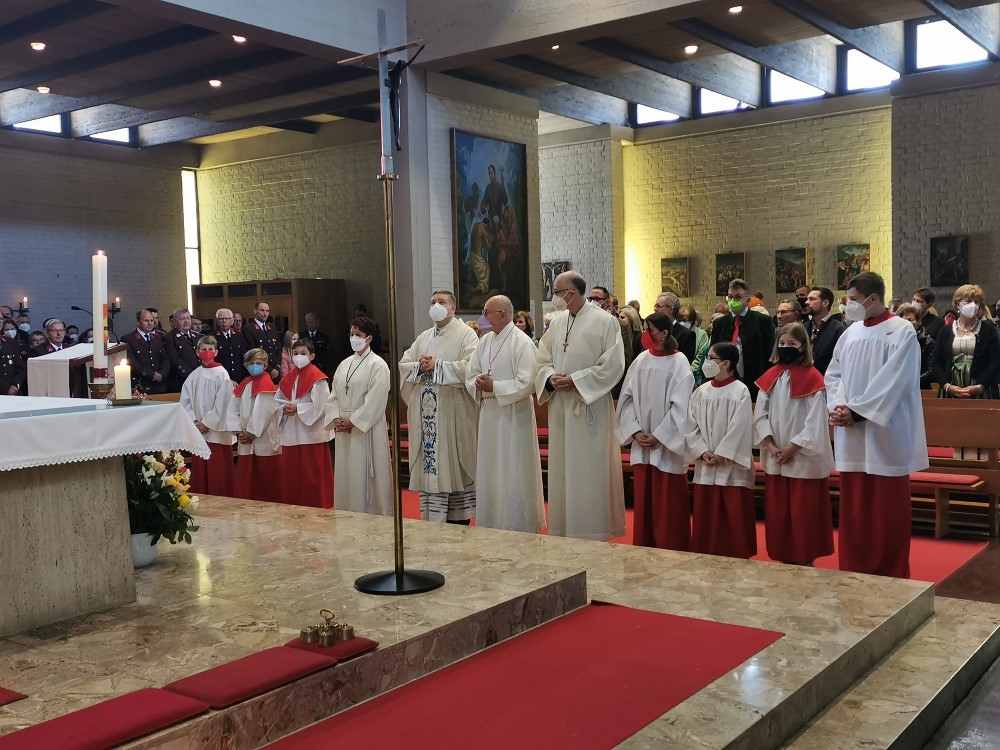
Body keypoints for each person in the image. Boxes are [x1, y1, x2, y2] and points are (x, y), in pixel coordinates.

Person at [826, 271, 927, 578]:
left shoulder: (901, 331)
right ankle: (853, 569)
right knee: (855, 508)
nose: (848, 305)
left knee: (887, 510)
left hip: (886, 431)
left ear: (872, 298)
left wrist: (857, 412)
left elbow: (897, 381)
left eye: (853, 299)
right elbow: (834, 374)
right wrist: (839, 407)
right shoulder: (850, 333)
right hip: (852, 433)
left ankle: (890, 573)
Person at [535, 271, 626, 541]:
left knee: (588, 470)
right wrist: (550, 377)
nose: (554, 297)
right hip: (561, 408)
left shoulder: (605, 321)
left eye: (557, 292)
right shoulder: (557, 323)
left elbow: (614, 364)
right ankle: (564, 528)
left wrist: (576, 380)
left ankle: (591, 529)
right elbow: (542, 358)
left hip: (588, 407)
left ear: (571, 293)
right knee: (563, 469)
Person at [754, 323, 834, 566]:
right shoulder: (771, 377)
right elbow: (760, 415)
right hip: (776, 454)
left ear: (802, 346)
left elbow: (815, 421)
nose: (786, 347)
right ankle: (784, 555)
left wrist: (792, 448)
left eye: (791, 344)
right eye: (782, 343)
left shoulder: (813, 378)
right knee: (779, 511)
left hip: (802, 457)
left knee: (803, 511)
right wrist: (770, 445)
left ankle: (805, 557)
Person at [399, 290, 480, 524]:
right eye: (433, 301)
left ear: (453, 308)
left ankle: (458, 519)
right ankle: (432, 517)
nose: (436, 305)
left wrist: (438, 365)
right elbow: (404, 364)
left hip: (452, 412)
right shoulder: (423, 337)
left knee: (453, 461)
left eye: (442, 302)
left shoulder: (467, 335)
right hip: (427, 413)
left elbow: (471, 368)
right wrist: (419, 366)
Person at [616, 312, 694, 550]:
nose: (645, 334)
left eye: (649, 330)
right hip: (642, 443)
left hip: (666, 447)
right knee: (645, 501)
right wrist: (634, 431)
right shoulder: (641, 360)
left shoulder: (679, 363)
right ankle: (645, 547)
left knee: (668, 503)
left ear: (664, 333)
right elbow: (626, 399)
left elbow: (682, 407)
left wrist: (659, 436)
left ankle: (672, 549)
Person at [467, 295, 545, 533]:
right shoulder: (485, 341)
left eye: (486, 311)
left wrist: (495, 386)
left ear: (502, 314)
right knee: (491, 468)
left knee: (513, 467)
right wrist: (477, 382)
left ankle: (517, 523)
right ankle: (491, 521)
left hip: (514, 415)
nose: (483, 316)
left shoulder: (521, 342)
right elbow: (471, 371)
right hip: (489, 414)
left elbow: (528, 381)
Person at [686, 342, 755, 558]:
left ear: (726, 363)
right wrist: (702, 451)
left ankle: (735, 555)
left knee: (732, 515)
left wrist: (722, 454)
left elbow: (741, 426)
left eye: (711, 358)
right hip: (706, 463)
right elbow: (690, 425)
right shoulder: (701, 392)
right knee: (706, 514)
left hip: (729, 466)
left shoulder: (740, 391)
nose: (706, 362)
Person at [325, 317, 392, 516]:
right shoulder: (344, 364)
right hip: (344, 428)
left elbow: (376, 400)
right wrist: (336, 418)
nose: (353, 338)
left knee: (364, 474)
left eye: (358, 335)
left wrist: (353, 422)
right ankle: (346, 513)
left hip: (365, 427)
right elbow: (334, 394)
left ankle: (370, 514)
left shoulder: (378, 365)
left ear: (369, 338)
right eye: (351, 334)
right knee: (346, 473)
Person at [275, 337, 334, 508]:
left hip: (311, 432)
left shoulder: (318, 378)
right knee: (292, 473)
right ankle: (293, 504)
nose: (298, 356)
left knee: (312, 474)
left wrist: (298, 408)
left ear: (311, 356)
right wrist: (284, 408)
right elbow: (277, 401)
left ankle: (317, 505)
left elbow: (322, 405)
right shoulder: (288, 378)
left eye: (303, 353)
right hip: (291, 431)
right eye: (295, 353)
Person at [180, 335, 236, 496]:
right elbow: (185, 401)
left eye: (210, 349)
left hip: (216, 431)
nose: (207, 352)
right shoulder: (194, 375)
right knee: (200, 469)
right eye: (203, 349)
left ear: (216, 352)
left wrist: (207, 423)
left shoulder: (222, 374)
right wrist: (194, 422)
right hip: (198, 430)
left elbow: (224, 402)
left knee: (217, 469)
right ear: (197, 352)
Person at [709, 278, 775, 401]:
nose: (733, 301)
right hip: (725, 379)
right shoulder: (720, 323)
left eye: (738, 297)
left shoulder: (762, 321)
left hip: (754, 380)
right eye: (730, 297)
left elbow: (769, 354)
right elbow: (713, 353)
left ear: (747, 300)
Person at [231, 348, 283, 503]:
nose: (255, 366)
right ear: (246, 365)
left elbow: (265, 411)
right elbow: (232, 409)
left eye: (259, 363)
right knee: (248, 475)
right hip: (245, 436)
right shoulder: (245, 384)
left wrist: (251, 433)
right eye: (252, 363)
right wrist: (238, 431)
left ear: (265, 365)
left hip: (263, 435)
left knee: (267, 474)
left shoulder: (266, 383)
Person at [932, 284, 999, 400]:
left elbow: (995, 361)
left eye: (976, 302)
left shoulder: (988, 330)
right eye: (968, 301)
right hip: (952, 386)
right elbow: (936, 362)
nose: (972, 305)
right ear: (958, 304)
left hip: (981, 387)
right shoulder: (945, 331)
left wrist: (980, 386)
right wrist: (947, 385)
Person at [125, 310, 170, 394]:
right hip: (142, 384)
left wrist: (162, 374)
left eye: (152, 320)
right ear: (138, 323)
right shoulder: (129, 339)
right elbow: (132, 362)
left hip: (159, 385)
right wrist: (152, 375)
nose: (150, 323)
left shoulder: (157, 338)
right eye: (146, 321)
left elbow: (165, 359)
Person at [804, 286, 846, 375]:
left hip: (827, 378)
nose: (806, 302)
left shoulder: (839, 330)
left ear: (825, 303)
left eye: (812, 299)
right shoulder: (804, 328)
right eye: (807, 299)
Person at [896, 303, 935, 389]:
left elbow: (931, 371)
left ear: (919, 322)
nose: (907, 323)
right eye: (904, 320)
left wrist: (910, 382)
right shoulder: (895, 340)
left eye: (910, 320)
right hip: (899, 386)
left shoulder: (928, 342)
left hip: (920, 386)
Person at [243, 301, 283, 382]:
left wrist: (277, 367)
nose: (265, 314)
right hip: (260, 371)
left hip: (276, 372)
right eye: (262, 310)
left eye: (267, 311)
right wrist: (269, 369)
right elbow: (253, 352)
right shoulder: (248, 328)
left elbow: (278, 349)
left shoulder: (272, 327)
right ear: (255, 311)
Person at [652, 292, 696, 362]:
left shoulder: (686, 335)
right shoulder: (653, 331)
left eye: (659, 306)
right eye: (655, 306)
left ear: (670, 309)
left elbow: (684, 362)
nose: (655, 309)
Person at [164, 307, 200, 392]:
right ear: (175, 321)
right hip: (181, 382)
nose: (186, 321)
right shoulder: (168, 338)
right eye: (182, 319)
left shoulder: (197, 336)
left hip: (199, 380)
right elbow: (175, 360)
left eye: (188, 318)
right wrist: (192, 377)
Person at [677, 304, 709, 385]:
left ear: (692, 321)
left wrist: (688, 371)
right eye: (679, 320)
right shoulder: (676, 333)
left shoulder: (701, 334)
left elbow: (700, 356)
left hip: (693, 374)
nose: (681, 323)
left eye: (684, 320)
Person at [214, 308, 247, 381]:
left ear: (232, 321)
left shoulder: (239, 335)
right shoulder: (213, 337)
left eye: (226, 318)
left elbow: (243, 356)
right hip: (221, 377)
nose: (224, 321)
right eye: (221, 319)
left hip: (238, 377)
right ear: (217, 322)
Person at [0, 322, 26, 395]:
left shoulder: (10, 342)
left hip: (13, 392)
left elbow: (20, 367)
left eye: (1, 318)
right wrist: (6, 388)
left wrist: (15, 385)